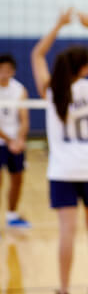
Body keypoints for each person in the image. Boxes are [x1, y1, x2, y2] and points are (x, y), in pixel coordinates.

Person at [31, 9, 88, 294]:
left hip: (64, 171)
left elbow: (37, 55)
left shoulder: (52, 90)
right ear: (84, 67)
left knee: (67, 231)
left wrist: (58, 25)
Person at [0, 54, 31, 229]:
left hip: (15, 141)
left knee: (17, 179)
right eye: (1, 70)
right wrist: (10, 140)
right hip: (2, 141)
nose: (4, 74)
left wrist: (20, 139)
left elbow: (24, 119)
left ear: (13, 71)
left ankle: (12, 216)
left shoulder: (20, 90)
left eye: (8, 70)